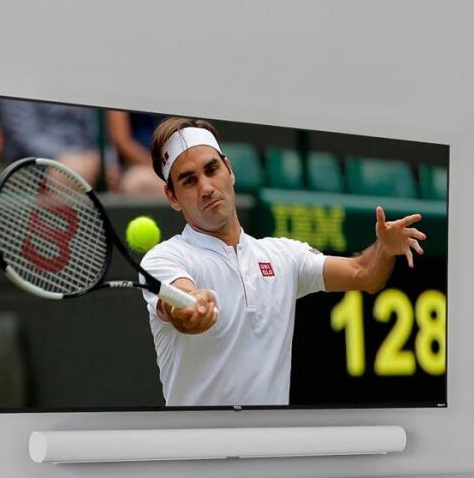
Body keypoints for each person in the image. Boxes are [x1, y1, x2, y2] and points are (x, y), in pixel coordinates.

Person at [136, 116, 425, 406]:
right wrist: (191, 306)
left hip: (270, 444)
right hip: (197, 447)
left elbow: (364, 274)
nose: (207, 187)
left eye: (212, 170)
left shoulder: (284, 256)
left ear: (230, 170)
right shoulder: (165, 258)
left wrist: (384, 249)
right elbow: (177, 300)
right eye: (189, 180)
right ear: (172, 197)